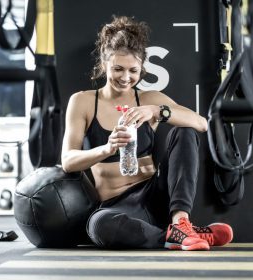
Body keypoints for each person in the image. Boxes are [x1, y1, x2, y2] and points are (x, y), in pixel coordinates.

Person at [61, 15, 233, 251]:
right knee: (99, 225)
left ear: (142, 67)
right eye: (118, 69)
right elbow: (68, 161)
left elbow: (201, 124)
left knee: (185, 130)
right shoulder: (83, 101)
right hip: (119, 206)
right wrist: (108, 148)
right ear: (104, 64)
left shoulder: (149, 99)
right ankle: (176, 236)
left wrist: (156, 111)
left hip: (158, 197)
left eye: (133, 70)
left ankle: (181, 222)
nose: (125, 77)